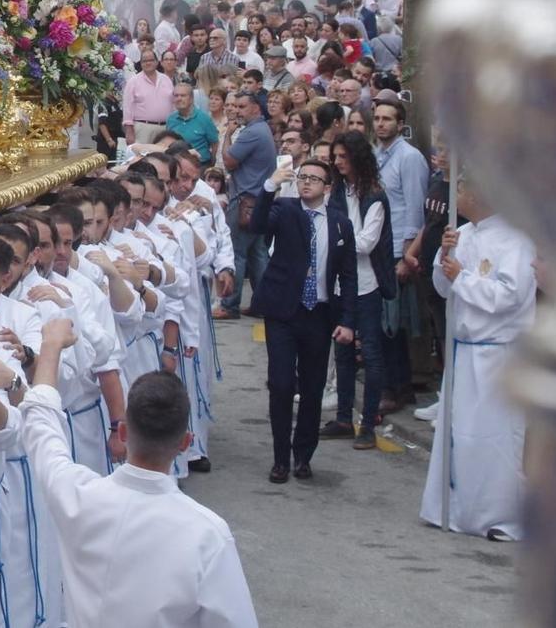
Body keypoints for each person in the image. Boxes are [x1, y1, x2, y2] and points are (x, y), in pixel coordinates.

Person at [20, 322, 257, 627]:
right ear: (186, 442)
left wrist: (51, 346)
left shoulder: (78, 496)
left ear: (122, 430)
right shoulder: (207, 534)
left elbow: (41, 426)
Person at [421, 179, 536, 541]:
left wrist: (463, 276)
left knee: (496, 437)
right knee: (461, 434)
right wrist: (444, 261)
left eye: (463, 189)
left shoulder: (515, 239)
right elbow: (444, 290)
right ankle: (456, 508)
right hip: (464, 349)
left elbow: (510, 296)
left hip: (499, 353)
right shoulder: (464, 234)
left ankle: (501, 516)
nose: (457, 195)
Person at [250, 156, 358, 483]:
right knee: (282, 385)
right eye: (302, 177)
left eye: (314, 178)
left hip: (319, 313)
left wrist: (348, 320)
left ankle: (303, 455)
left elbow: (349, 276)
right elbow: (256, 226)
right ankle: (280, 457)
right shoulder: (285, 209)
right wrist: (269, 186)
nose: (307, 182)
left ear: (328, 187)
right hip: (284, 310)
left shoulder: (340, 224)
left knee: (312, 389)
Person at [323, 130, 392, 450]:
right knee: (343, 351)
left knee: (373, 353)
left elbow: (366, 242)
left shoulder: (375, 195)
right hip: (340, 283)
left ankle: (368, 423)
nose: (337, 163)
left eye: (342, 157)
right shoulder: (337, 191)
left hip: (366, 285)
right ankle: (343, 417)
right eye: (334, 157)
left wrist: (339, 242)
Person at [373, 94, 430, 408]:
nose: (381, 124)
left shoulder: (409, 158)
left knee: (394, 325)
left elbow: (415, 208)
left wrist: (409, 254)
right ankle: (392, 386)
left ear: (400, 124)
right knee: (382, 325)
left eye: (387, 119)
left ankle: (397, 388)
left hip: (398, 249)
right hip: (379, 246)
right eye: (378, 118)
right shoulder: (377, 154)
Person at [219, 91, 275, 318]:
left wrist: (227, 136)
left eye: (242, 107)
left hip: (245, 199)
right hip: (258, 199)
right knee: (257, 253)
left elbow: (229, 160)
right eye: (235, 106)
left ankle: (229, 305)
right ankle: (263, 304)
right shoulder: (262, 129)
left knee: (238, 253)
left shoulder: (252, 132)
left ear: (255, 108)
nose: (237, 111)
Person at [121, 48, 175, 145]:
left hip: (166, 128)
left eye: (150, 60)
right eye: (144, 61)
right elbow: (127, 108)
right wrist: (129, 131)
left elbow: (173, 104)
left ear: (156, 62)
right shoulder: (133, 82)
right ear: (141, 63)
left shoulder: (166, 79)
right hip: (143, 129)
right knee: (143, 158)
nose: (148, 63)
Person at [164, 82, 219, 158]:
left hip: (200, 164)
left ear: (191, 98)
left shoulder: (204, 118)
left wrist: (212, 164)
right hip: (176, 163)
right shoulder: (171, 119)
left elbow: (214, 143)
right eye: (176, 96)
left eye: (183, 95)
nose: (179, 99)